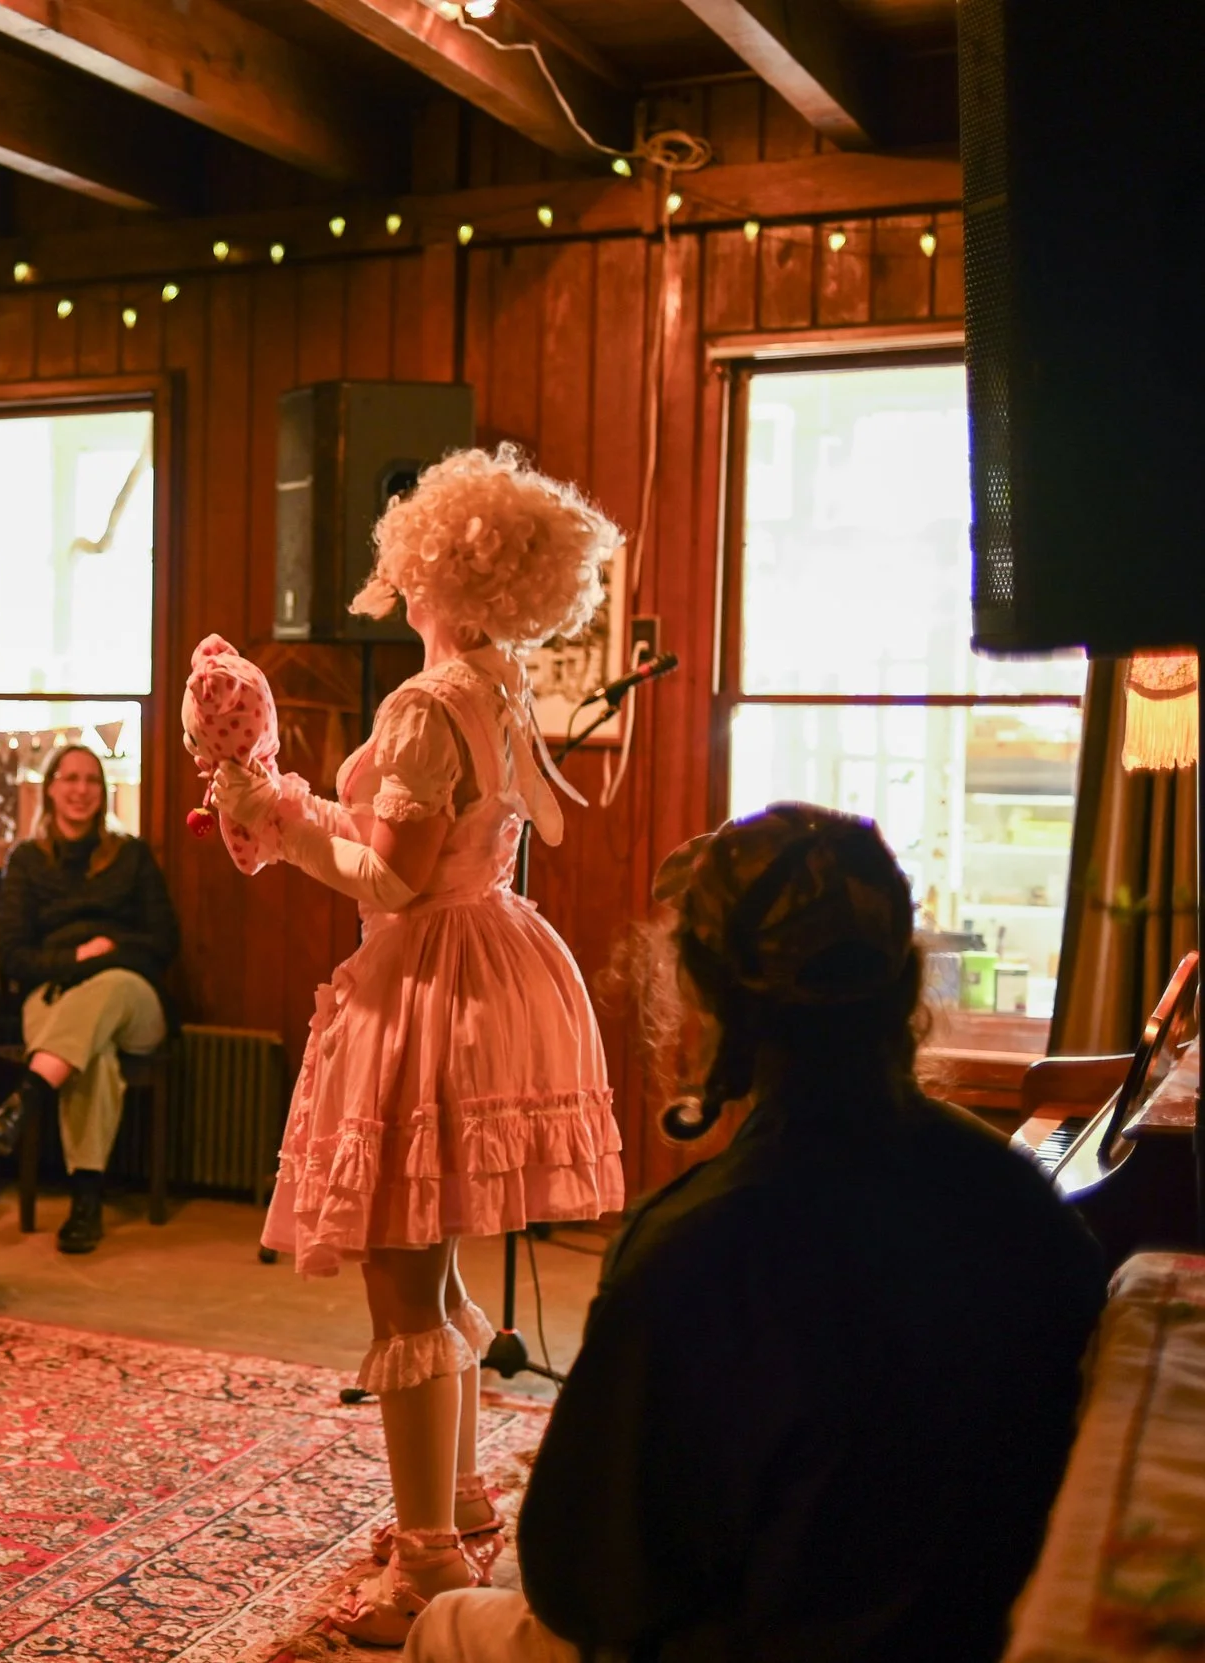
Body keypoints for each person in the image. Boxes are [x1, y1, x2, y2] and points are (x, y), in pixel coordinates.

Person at [404, 805, 1110, 1663]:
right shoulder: (1021, 1199)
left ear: (708, 998)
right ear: (902, 982)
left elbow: (579, 1581)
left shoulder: (688, 1248)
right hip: (983, 1639)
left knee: (445, 1623)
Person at [212, 445, 627, 1643]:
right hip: (493, 959)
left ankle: (426, 1567)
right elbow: (423, 849)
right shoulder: (498, 682)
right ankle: (457, 1499)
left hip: (428, 983)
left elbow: (388, 881)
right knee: (432, 1261)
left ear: (432, 566)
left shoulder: (422, 703)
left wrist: (274, 814)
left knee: (402, 1279)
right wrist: (299, 808)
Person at [0, 744, 177, 1254]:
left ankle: (30, 1095)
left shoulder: (132, 855)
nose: (81, 790)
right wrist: (78, 958)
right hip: (54, 999)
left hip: (133, 998)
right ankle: (86, 1203)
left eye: (91, 780)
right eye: (70, 778)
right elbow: (16, 959)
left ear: (103, 791)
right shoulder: (26, 861)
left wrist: (103, 957)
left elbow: (163, 944)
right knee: (96, 1056)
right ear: (50, 787)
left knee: (109, 986)